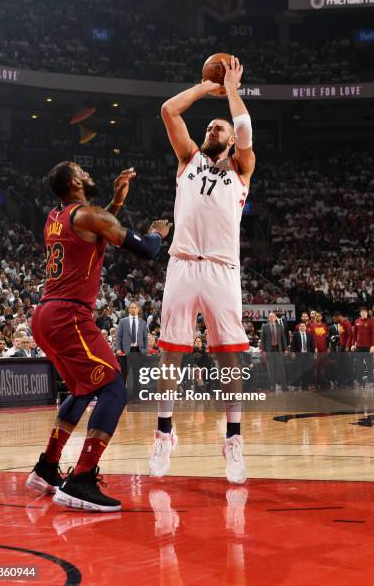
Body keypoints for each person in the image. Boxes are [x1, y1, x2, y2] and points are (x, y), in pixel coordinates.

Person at [26, 161, 170, 512]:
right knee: (114, 389)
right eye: (82, 171)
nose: (89, 174)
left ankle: (47, 467)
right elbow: (146, 250)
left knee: (82, 389)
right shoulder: (88, 216)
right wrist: (158, 233)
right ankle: (83, 477)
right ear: (76, 182)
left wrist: (117, 204)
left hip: (45, 314)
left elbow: (93, 226)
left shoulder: (55, 216)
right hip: (69, 314)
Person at [150, 55, 256, 484]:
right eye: (210, 126)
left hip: (222, 269)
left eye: (220, 127)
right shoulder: (188, 160)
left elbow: (245, 127)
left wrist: (231, 87)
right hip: (182, 264)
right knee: (170, 354)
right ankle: (163, 433)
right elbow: (168, 112)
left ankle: (233, 441)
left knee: (228, 357)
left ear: (231, 142)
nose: (213, 128)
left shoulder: (242, 170)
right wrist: (203, 87)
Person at [115, 301, 148, 380]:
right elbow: (119, 336)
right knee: (123, 376)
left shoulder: (143, 322)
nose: (133, 309)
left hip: (138, 351)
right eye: (131, 308)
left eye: (135, 308)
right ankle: (122, 392)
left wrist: (145, 350)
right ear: (128, 310)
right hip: (125, 351)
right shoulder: (122, 321)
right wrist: (118, 349)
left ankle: (136, 392)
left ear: (138, 310)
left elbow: (145, 338)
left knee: (137, 376)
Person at [260, 312, 287, 390]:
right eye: (270, 317)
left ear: (275, 318)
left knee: (281, 368)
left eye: (273, 317)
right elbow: (263, 340)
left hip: (279, 350)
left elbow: (283, 338)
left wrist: (285, 349)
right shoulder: (265, 327)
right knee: (271, 369)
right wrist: (263, 351)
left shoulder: (280, 326)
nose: (271, 318)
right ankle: (272, 386)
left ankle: (284, 386)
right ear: (268, 318)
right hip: (269, 350)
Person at [351, 306, 374, 387]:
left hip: (368, 347)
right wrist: (353, 344)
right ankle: (359, 380)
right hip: (359, 347)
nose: (363, 313)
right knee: (359, 364)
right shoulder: (357, 321)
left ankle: (371, 381)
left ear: (367, 313)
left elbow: (373, 335)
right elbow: (354, 335)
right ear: (360, 313)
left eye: (365, 312)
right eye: (362, 312)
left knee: (369, 364)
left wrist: (372, 345)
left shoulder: (370, 322)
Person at [290, 322, 315, 389]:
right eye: (301, 326)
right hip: (299, 355)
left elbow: (312, 345)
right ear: (299, 327)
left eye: (303, 326)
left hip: (307, 355)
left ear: (305, 327)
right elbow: (292, 345)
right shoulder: (296, 335)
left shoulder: (309, 335)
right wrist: (292, 352)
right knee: (298, 370)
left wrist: (313, 353)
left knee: (306, 370)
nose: (302, 327)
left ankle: (305, 385)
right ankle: (297, 384)